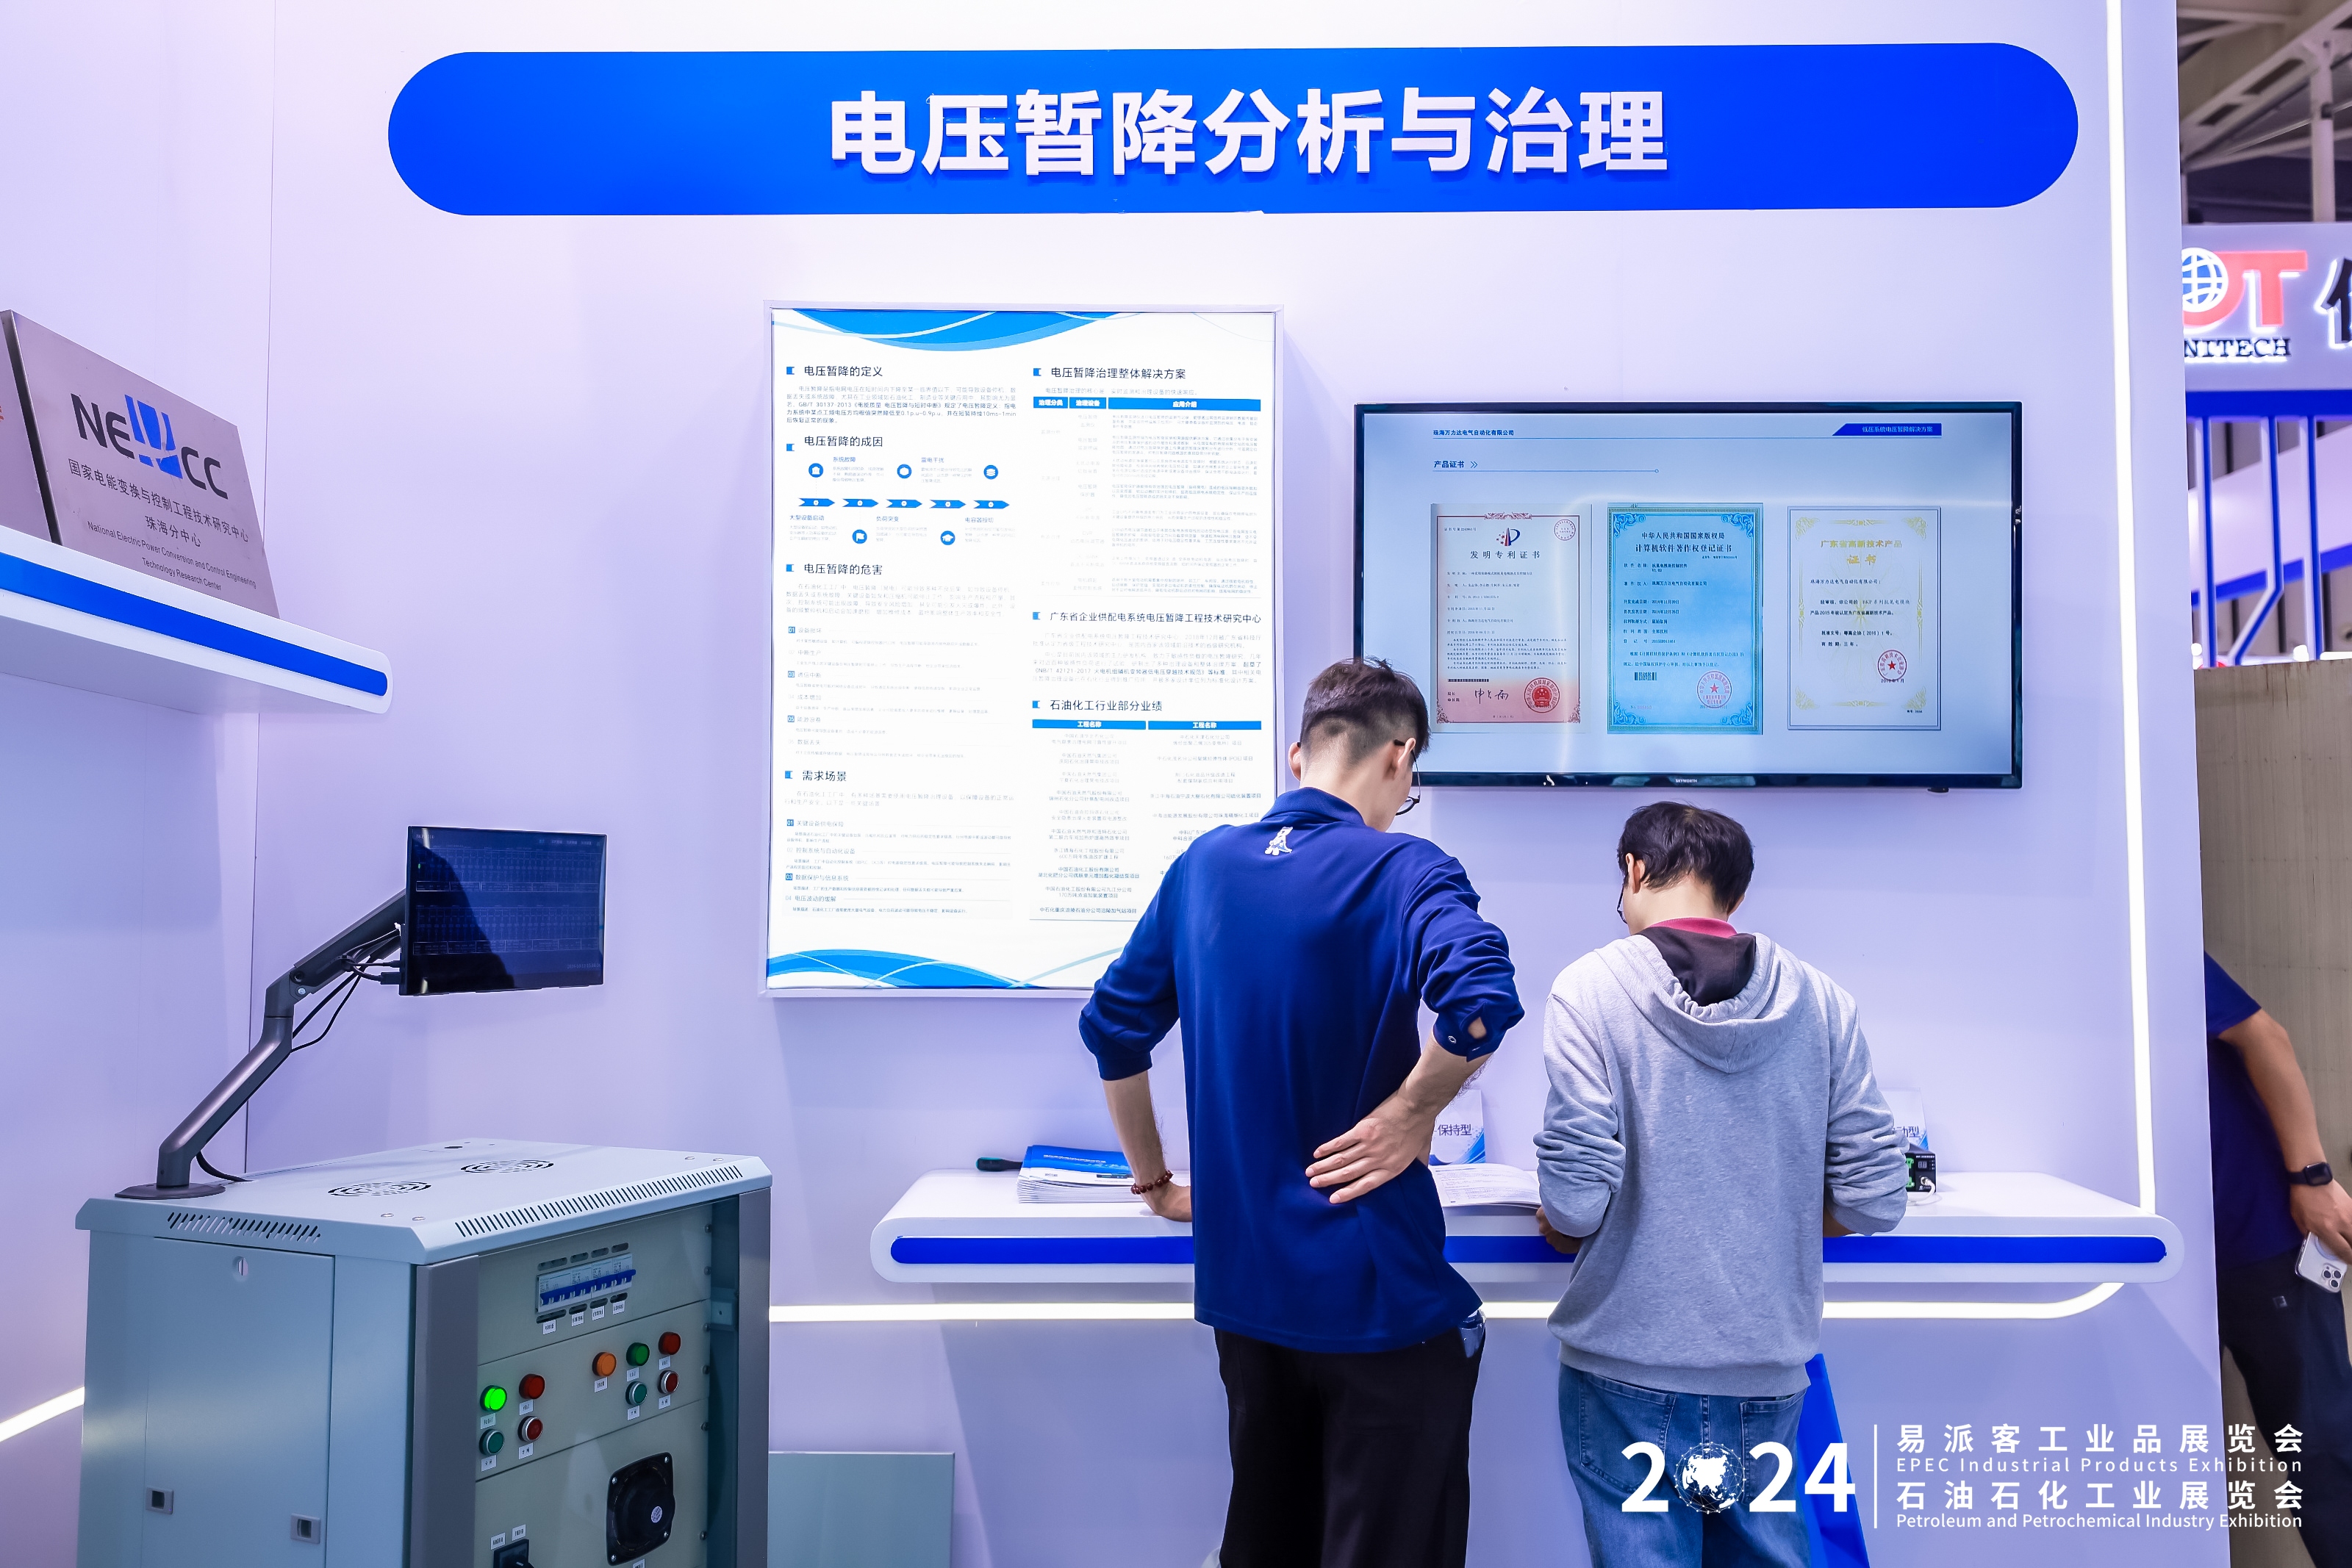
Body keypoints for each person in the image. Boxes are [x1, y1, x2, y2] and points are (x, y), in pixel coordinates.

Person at [1079, 657, 1522, 1568]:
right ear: (1399, 756)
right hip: (1380, 1302)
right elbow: (1479, 1003)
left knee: (1267, 1543)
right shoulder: (1405, 866)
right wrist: (1411, 1112)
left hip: (1246, 1304)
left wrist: (1155, 1182)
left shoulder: (1203, 865)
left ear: (1297, 755)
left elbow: (1113, 1027)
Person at [1535, 802, 1909, 1567]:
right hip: (1766, 1373)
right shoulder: (1822, 999)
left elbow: (1573, 1206)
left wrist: (1570, 1216)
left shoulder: (1589, 988)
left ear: (1634, 870)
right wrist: (1775, 1204)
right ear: (1735, 895)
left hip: (1623, 1372)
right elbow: (1875, 1199)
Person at [2204, 954, 2352, 1561]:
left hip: (2263, 1234)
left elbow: (2264, 1035)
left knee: (2323, 1451)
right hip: (2160, 1259)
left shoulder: (2138, 937)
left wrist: (2312, 1178)